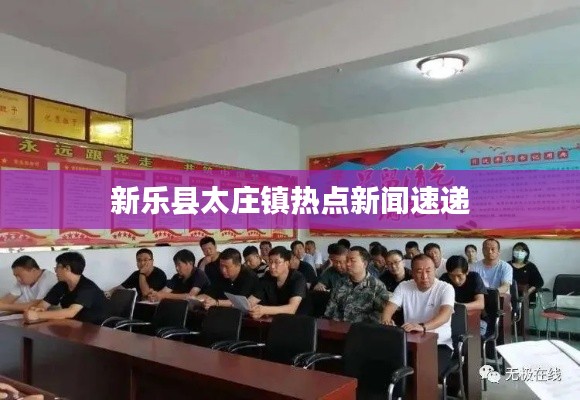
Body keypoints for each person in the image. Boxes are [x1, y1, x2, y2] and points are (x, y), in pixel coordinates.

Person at [381, 254, 455, 379]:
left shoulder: (445, 288)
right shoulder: (404, 286)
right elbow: (389, 307)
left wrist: (422, 327)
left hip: (439, 344)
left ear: (435, 270)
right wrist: (386, 321)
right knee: (389, 369)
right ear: (412, 273)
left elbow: (445, 315)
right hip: (410, 343)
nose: (424, 276)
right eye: (419, 272)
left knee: (425, 375)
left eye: (428, 271)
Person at [23, 252, 107, 325]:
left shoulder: (87, 287)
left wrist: (38, 315)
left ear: (67, 268)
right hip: (75, 325)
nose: (55, 270)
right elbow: (44, 304)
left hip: (97, 328)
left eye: (57, 267)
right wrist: (37, 309)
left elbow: (71, 312)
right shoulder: (62, 285)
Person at [324, 246, 388, 323]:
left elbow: (380, 316)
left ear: (364, 264)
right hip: (338, 326)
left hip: (362, 328)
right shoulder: (340, 283)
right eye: (347, 260)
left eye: (352, 261)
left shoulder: (377, 286)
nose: (348, 264)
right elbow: (330, 310)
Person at [248, 246, 307, 319]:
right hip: (277, 320)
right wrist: (249, 307)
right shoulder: (268, 276)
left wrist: (264, 310)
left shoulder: (298, 278)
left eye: (277, 262)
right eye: (270, 262)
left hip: (300, 320)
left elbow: (292, 309)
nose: (272, 266)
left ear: (287, 263)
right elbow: (252, 300)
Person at [440, 255, 487, 335]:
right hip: (451, 320)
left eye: (459, 276)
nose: (456, 280)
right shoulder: (444, 278)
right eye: (452, 276)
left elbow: (480, 304)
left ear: (467, 271)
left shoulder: (474, 277)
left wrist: (457, 306)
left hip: (475, 319)